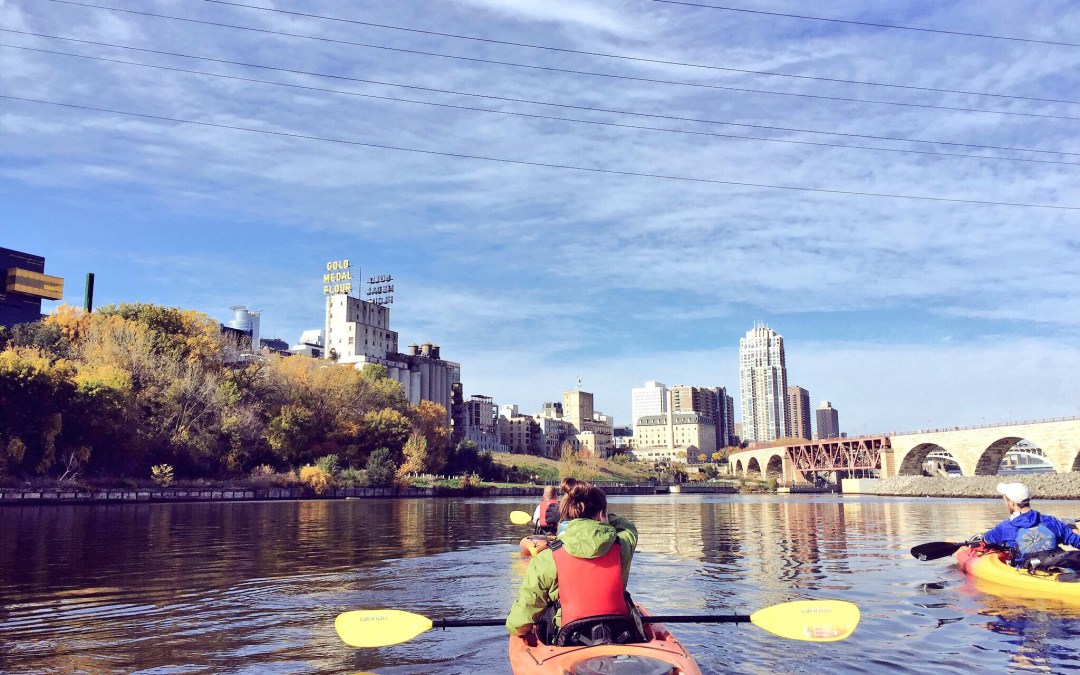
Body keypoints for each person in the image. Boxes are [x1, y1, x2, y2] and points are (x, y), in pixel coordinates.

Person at [506, 482, 640, 645]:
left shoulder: (546, 558)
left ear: (566, 517)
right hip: (620, 635)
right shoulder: (622, 546)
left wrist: (514, 628)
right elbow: (627, 527)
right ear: (601, 515)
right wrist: (603, 514)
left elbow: (521, 620)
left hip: (570, 640)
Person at [978, 482, 1080, 581]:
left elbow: (986, 540)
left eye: (1005, 500)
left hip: (1029, 575)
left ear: (1012, 503)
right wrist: (1071, 526)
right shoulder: (1051, 521)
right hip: (1060, 567)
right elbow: (1077, 540)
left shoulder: (1005, 527)